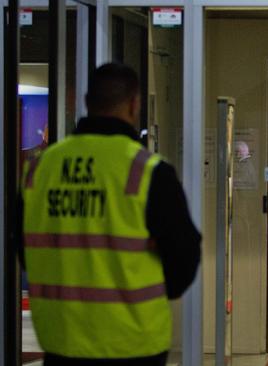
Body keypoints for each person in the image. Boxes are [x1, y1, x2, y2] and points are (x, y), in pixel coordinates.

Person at [18, 63, 201, 366]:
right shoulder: (148, 172)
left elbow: (25, 250)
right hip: (133, 343)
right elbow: (184, 260)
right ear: (134, 104)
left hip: (62, 341)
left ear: (87, 103)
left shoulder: (40, 170)